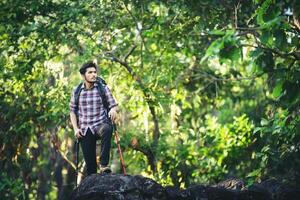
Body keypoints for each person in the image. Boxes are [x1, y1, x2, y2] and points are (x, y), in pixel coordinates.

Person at [69, 61, 119, 175]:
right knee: (91, 169)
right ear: (83, 76)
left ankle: (104, 165)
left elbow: (114, 106)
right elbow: (72, 111)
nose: (94, 75)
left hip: (100, 125)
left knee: (107, 129)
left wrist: (112, 109)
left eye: (95, 72)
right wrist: (75, 129)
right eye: (90, 72)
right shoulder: (76, 91)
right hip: (85, 129)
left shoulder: (103, 88)